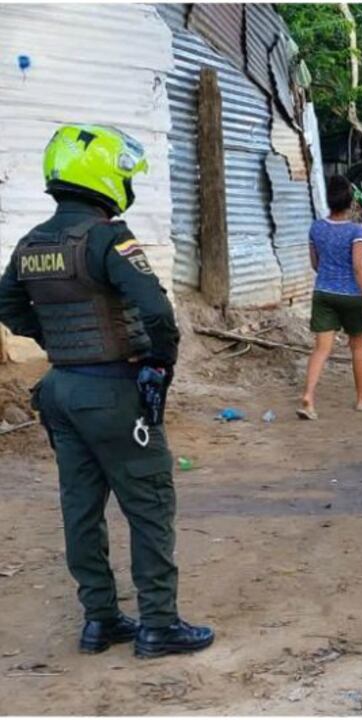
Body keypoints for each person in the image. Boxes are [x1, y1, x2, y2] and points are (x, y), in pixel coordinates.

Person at [0, 124, 214, 659]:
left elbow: (7, 306)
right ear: (99, 178)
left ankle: (99, 621)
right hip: (113, 390)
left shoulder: (32, 245)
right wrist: (158, 363)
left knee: (81, 507)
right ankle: (158, 625)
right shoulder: (108, 238)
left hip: (59, 390)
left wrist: (57, 340)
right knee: (149, 504)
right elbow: (157, 310)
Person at [298, 176, 362, 420]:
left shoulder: (316, 227)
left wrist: (328, 277)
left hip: (323, 293)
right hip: (351, 296)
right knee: (358, 347)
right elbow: (358, 267)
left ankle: (309, 398)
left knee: (321, 349)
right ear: (350, 202)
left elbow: (315, 263)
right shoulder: (356, 230)